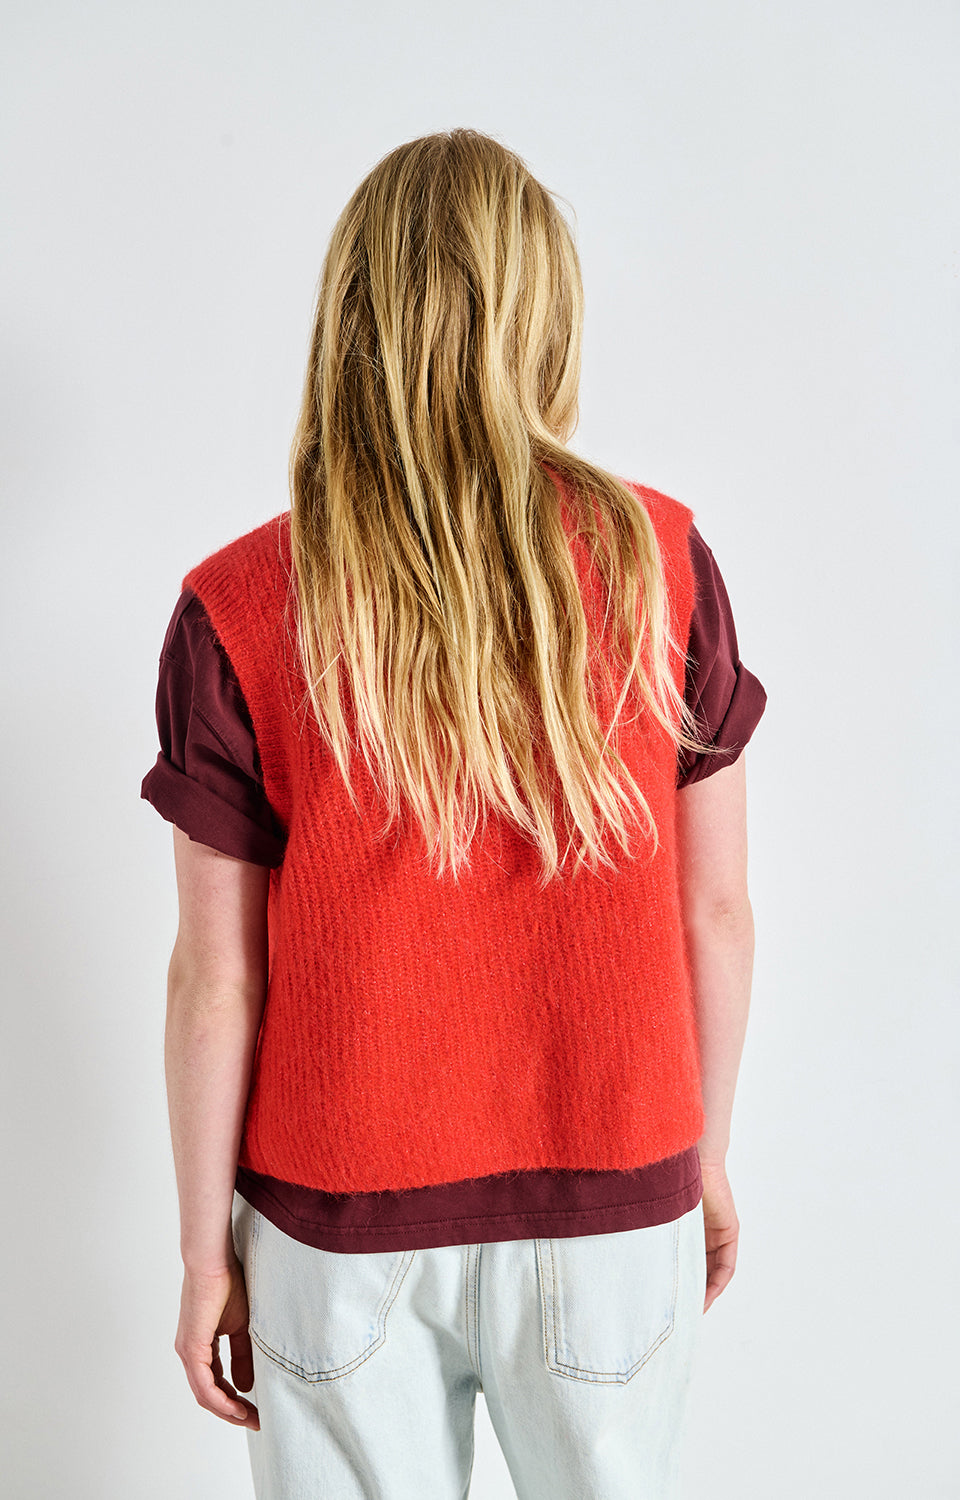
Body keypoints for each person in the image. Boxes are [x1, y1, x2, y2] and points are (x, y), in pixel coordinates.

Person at [141, 128, 766, 1500]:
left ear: (352, 317)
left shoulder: (240, 604)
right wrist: (705, 1156)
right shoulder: (661, 562)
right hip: (611, 1197)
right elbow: (715, 912)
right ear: (546, 315)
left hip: (336, 1218)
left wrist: (201, 1253)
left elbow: (215, 979)